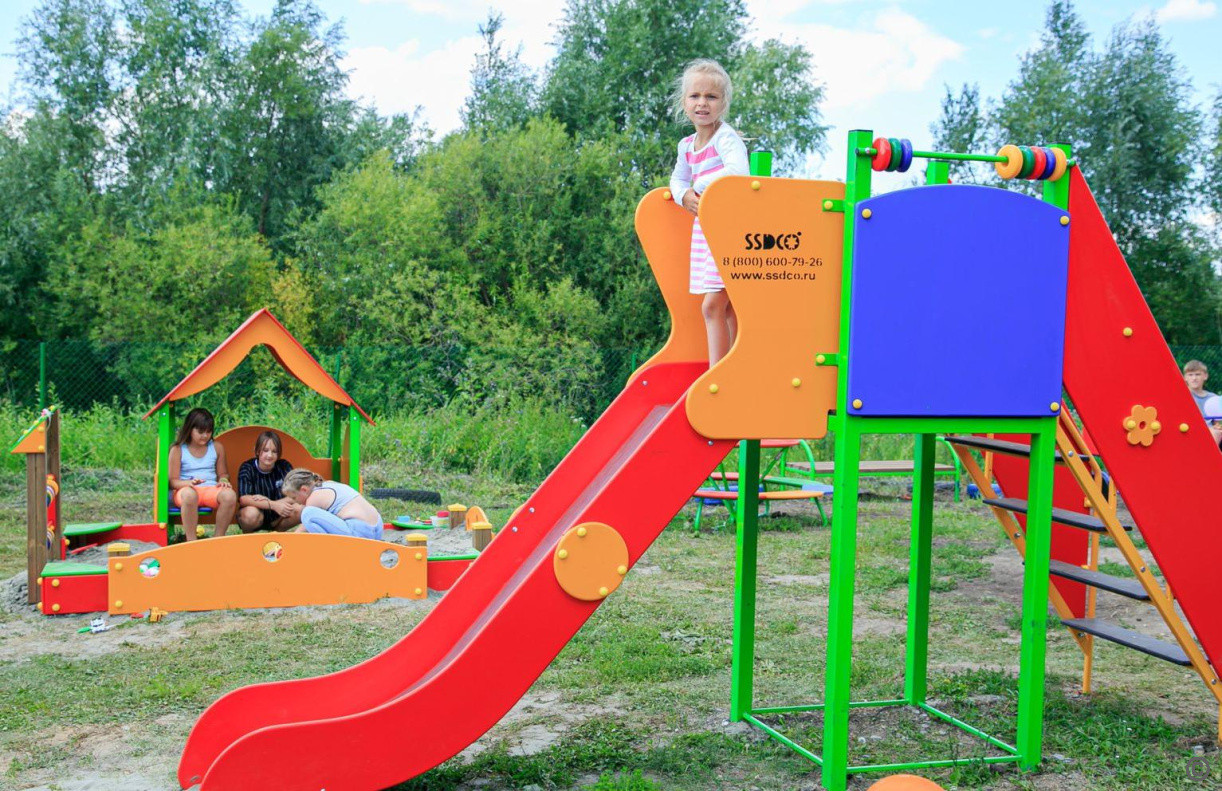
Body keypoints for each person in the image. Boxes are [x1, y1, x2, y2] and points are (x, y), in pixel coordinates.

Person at [668, 58, 750, 366]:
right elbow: (677, 180)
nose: (702, 103)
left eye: (711, 96)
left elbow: (739, 171)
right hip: (706, 231)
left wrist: (700, 184)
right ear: (684, 102)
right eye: (695, 96)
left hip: (729, 230)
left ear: (723, 103)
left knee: (713, 305)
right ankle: (731, 367)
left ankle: (718, 373)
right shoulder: (686, 146)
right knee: (726, 307)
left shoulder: (725, 138)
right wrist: (684, 195)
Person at [168, 407, 236, 540]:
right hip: (185, 490)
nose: (205, 436)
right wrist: (188, 483)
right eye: (200, 432)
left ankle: (218, 539)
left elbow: (223, 473)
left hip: (210, 489)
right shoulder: (178, 449)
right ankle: (191, 541)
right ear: (189, 429)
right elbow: (173, 481)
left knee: (229, 496)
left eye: (208, 432)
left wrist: (224, 481)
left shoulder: (216, 447)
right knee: (189, 495)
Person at [281, 468, 384, 540]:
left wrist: (286, 544)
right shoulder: (329, 484)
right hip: (377, 529)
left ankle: (329, 549)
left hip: (359, 531)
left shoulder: (314, 498)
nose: (296, 502)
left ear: (304, 489)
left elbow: (302, 529)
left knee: (307, 514)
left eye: (294, 497)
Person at [237, 431, 301, 533]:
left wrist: (276, 504)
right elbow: (244, 499)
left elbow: (297, 494)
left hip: (280, 516)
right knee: (250, 514)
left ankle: (276, 533)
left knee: (301, 508)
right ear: (257, 451)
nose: (269, 455)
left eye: (274, 451)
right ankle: (248, 536)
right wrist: (272, 504)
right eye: (265, 450)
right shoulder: (247, 468)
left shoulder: (284, 466)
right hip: (257, 513)